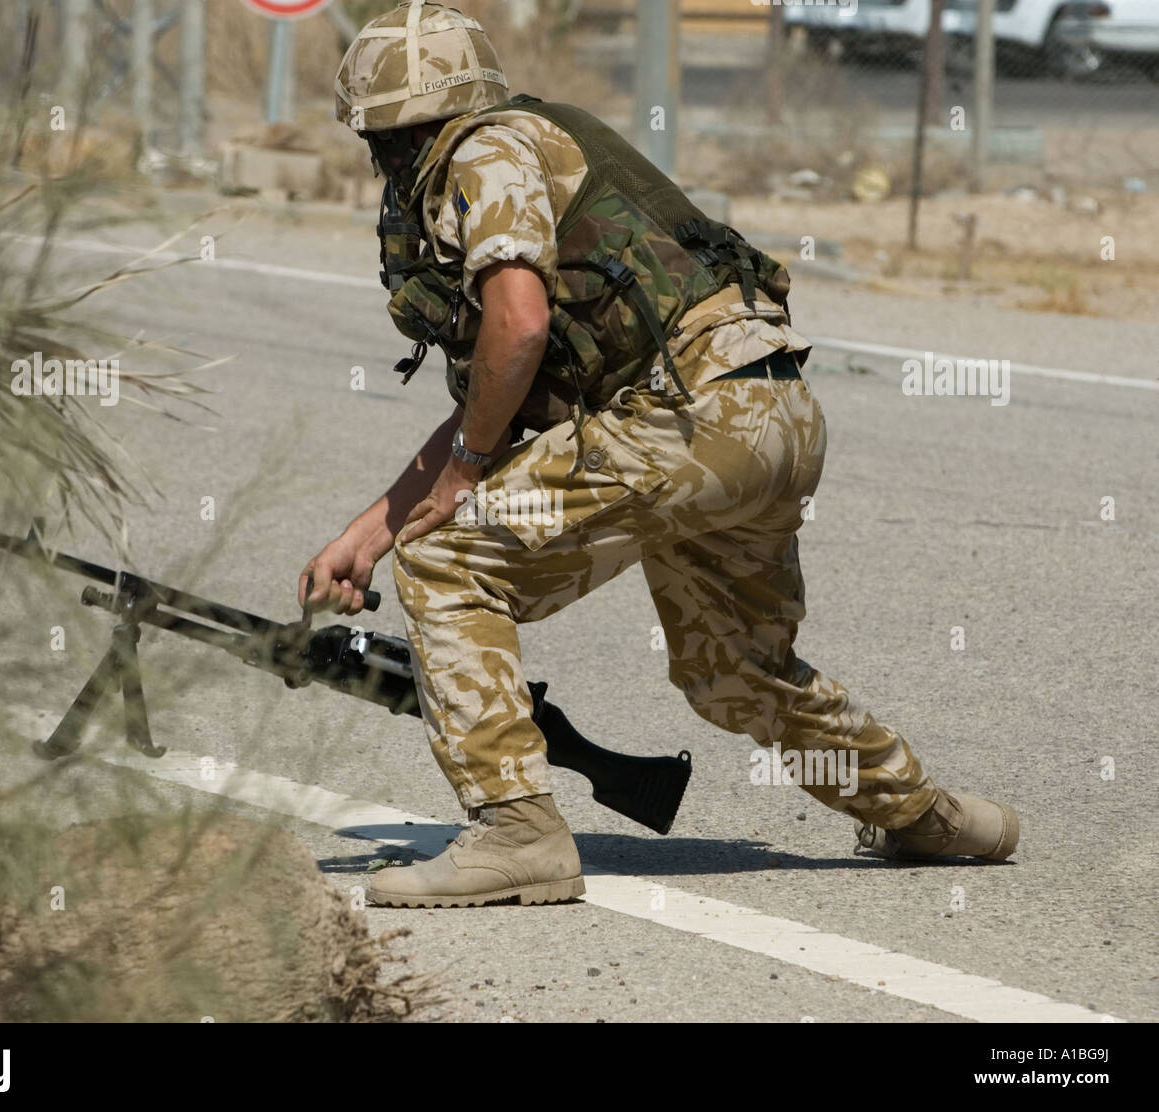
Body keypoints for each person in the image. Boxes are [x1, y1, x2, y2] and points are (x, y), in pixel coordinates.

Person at [301, 0, 1019, 909]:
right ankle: (933, 816)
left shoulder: (481, 154)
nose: (392, 159)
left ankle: (518, 834)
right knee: (737, 673)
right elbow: (495, 400)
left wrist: (461, 476)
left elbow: (515, 331)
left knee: (446, 561)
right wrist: (366, 533)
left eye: (388, 138)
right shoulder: (538, 140)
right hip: (769, 414)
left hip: (680, 424)